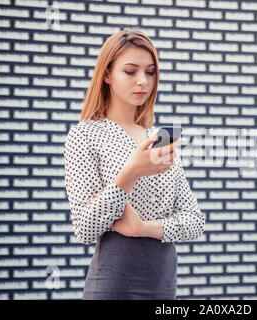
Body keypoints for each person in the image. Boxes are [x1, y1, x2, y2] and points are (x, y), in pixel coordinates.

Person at [63, 28, 205, 300]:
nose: (143, 81)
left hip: (163, 282)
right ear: (106, 74)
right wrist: (131, 172)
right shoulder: (85, 135)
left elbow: (195, 221)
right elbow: (85, 228)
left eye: (150, 72)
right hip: (114, 282)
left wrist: (143, 228)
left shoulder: (157, 138)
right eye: (130, 71)